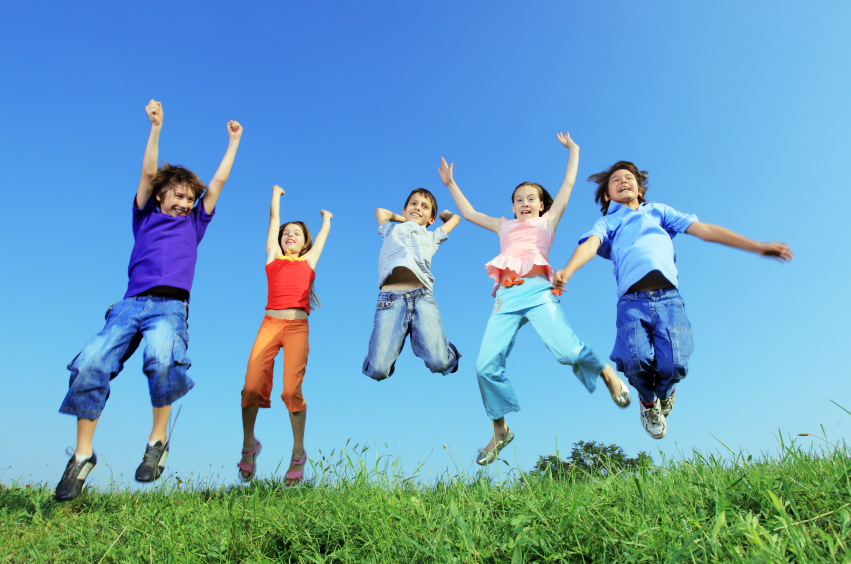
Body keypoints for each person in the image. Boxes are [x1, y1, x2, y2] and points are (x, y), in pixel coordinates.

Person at [55, 100, 242, 501]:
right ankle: (82, 456)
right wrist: (156, 128)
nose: (185, 202)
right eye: (178, 195)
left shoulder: (195, 223)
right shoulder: (144, 216)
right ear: (160, 197)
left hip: (169, 307)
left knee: (162, 359)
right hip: (128, 305)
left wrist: (233, 143)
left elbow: (219, 183)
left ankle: (157, 442)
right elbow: (146, 172)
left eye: (191, 198)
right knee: (90, 364)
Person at [554, 161, 793, 439]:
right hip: (632, 303)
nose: (623, 182)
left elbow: (706, 230)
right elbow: (591, 244)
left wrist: (759, 247)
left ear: (640, 188)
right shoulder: (608, 222)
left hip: (669, 299)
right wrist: (568, 270)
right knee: (635, 362)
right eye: (615, 180)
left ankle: (665, 393)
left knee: (674, 364)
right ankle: (647, 403)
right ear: (607, 195)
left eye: (629, 178)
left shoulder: (658, 212)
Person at [438, 132, 629, 466]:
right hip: (506, 299)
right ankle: (500, 430)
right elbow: (468, 213)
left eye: (531, 198)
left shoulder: (548, 221)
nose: (524, 203)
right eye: (518, 199)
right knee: (484, 366)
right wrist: (451, 184)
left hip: (539, 292)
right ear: (512, 206)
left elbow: (568, 186)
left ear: (542, 204)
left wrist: (574, 151)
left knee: (567, 352)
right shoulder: (503, 226)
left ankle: (607, 373)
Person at [238, 186, 332, 485]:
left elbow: (323, 236)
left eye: (297, 233)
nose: (289, 235)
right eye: (285, 232)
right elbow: (273, 218)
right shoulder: (272, 258)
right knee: (252, 385)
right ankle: (249, 445)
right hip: (270, 324)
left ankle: (298, 453)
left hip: (297, 329)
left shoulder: (308, 262)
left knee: (291, 391)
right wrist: (275, 197)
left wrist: (326, 219)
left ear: (306, 243)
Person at [362, 188, 461, 381]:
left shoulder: (431, 236)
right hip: (389, 301)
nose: (418, 208)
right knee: (378, 370)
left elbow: (455, 219)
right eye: (413, 204)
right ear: (404, 210)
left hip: (422, 298)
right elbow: (380, 211)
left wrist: (441, 215)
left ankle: (449, 352)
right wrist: (406, 218)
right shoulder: (390, 229)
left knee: (440, 363)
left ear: (431, 219)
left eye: (425, 207)